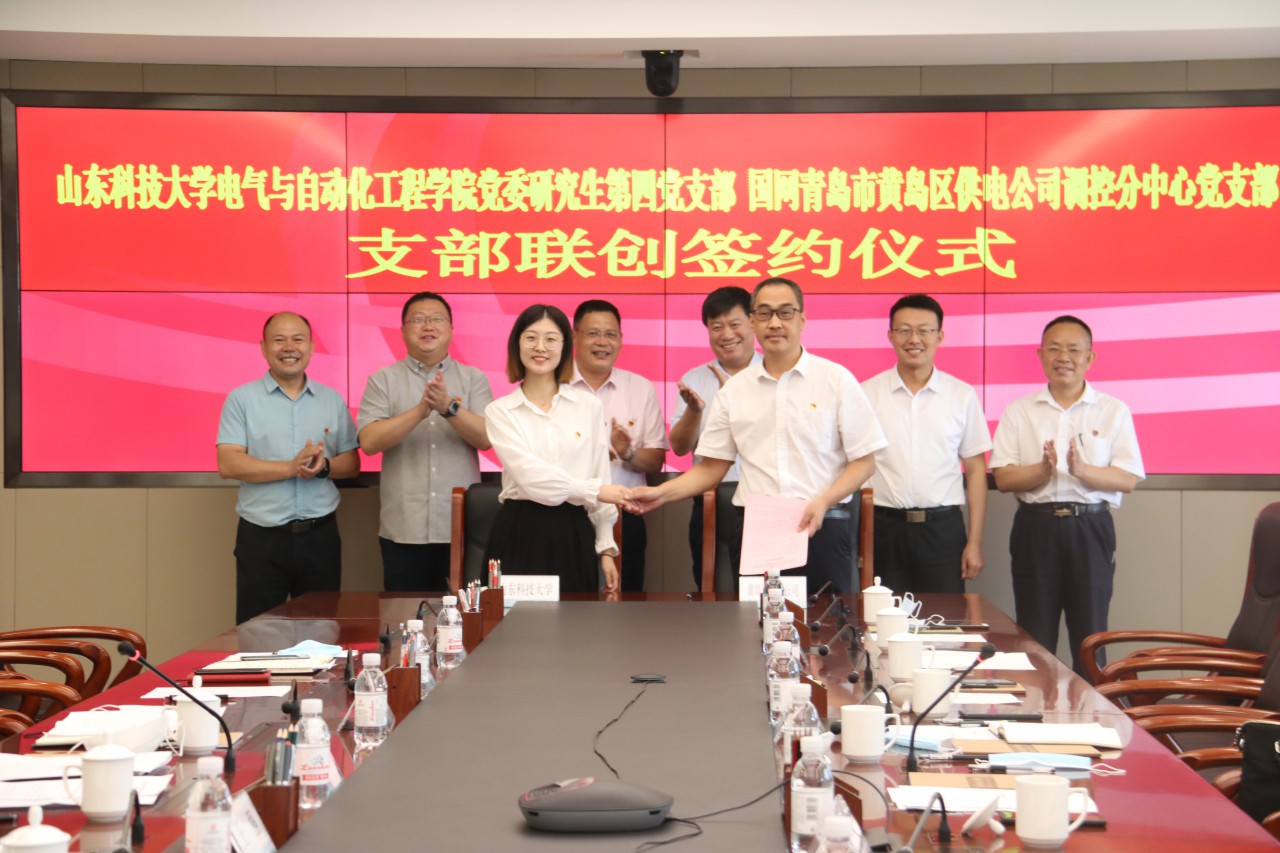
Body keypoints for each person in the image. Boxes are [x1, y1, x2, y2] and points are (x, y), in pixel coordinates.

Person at [627, 278, 887, 593]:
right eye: (764, 313)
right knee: (758, 621)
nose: (774, 323)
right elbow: (712, 467)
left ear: (802, 319)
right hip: (759, 530)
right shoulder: (735, 390)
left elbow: (865, 460)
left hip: (822, 524)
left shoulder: (835, 379)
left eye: (785, 312)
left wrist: (824, 501)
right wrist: (660, 494)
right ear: (753, 322)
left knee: (828, 621)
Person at [991, 315, 1144, 676]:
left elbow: (1127, 478)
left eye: (1074, 350)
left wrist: (1082, 471)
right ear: (1040, 355)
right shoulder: (1019, 410)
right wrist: (1042, 471)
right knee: (1034, 634)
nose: (1063, 357)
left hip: (1090, 528)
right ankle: (1038, 709)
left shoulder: (1113, 410)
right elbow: (1004, 477)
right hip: (1036, 527)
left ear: (1090, 357)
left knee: (1090, 635)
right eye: (1055, 349)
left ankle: (1091, 711)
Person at [217, 312, 360, 623]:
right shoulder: (242, 399)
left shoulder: (331, 400)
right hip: (262, 538)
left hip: (320, 537)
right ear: (263, 347)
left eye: (298, 339)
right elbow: (228, 463)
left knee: (321, 633)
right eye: (279, 340)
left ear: (311, 347)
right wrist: (290, 468)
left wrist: (324, 467)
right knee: (257, 635)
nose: (289, 347)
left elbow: (351, 463)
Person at [483, 304, 628, 594]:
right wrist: (593, 490)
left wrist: (605, 548)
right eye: (531, 337)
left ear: (565, 347)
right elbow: (531, 478)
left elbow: (600, 473)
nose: (540, 347)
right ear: (516, 344)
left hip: (573, 529)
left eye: (551, 339)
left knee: (576, 620)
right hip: (519, 531)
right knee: (513, 622)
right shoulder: (500, 411)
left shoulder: (588, 406)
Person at [357, 292, 493, 592]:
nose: (428, 326)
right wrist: (420, 411)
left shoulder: (474, 379)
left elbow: (486, 438)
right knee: (402, 614)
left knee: (463, 614)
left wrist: (448, 408)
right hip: (403, 528)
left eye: (436, 319)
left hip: (460, 528)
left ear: (451, 329)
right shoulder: (383, 380)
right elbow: (369, 441)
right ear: (403, 330)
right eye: (418, 320)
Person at [862, 294, 991, 595]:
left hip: (942, 530)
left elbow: (975, 470)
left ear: (939, 336)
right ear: (890, 335)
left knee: (944, 617)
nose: (914, 339)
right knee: (883, 617)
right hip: (883, 528)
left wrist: (974, 542)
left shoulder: (961, 395)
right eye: (904, 330)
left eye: (924, 330)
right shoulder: (866, 394)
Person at [570, 300, 669, 592]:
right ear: (574, 337)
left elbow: (655, 462)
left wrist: (628, 453)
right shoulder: (553, 387)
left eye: (610, 334)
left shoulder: (640, 388)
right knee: (568, 604)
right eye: (593, 333)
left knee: (625, 602)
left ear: (621, 339)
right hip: (567, 513)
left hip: (625, 516)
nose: (602, 342)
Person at [668, 286, 761, 587]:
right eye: (716, 327)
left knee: (762, 591)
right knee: (710, 589)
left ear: (753, 323)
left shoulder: (773, 375)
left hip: (764, 504)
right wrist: (695, 411)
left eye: (735, 324)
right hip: (708, 502)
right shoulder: (695, 379)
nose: (726, 334)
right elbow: (679, 447)